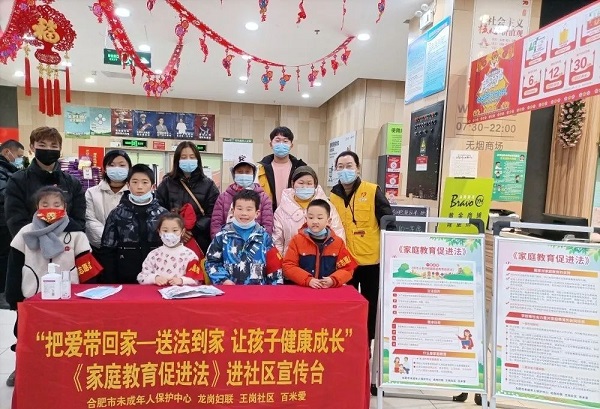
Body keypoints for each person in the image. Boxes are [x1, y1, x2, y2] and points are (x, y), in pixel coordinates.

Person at [5, 186, 102, 387]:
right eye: (45, 204)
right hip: (32, 297)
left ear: (65, 207)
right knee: (26, 334)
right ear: (37, 207)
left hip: (68, 298)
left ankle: (65, 369)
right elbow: (14, 266)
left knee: (65, 337)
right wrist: (14, 297)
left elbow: (86, 268)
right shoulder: (26, 233)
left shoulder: (76, 234)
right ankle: (22, 366)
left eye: (57, 204)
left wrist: (89, 296)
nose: (51, 208)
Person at [330, 151, 392, 346]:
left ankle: (367, 342)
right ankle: (348, 341)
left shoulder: (372, 190)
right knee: (346, 303)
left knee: (370, 303)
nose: (345, 170)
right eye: (340, 166)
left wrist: (390, 252)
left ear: (357, 168)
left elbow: (388, 222)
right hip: (344, 261)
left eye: (349, 166)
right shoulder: (333, 195)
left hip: (370, 260)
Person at [4, 127, 86, 238]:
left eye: (54, 146)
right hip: (30, 244)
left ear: (60, 149)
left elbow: (79, 221)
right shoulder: (17, 180)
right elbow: (15, 221)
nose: (48, 149)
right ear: (32, 147)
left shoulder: (73, 183)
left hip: (66, 244)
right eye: (42, 145)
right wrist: (41, 241)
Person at [99, 164, 168, 284]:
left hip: (157, 276)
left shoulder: (163, 214)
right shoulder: (117, 214)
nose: (139, 187)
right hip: (125, 276)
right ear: (128, 185)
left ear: (153, 186)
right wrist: (110, 280)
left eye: (145, 182)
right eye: (135, 182)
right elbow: (107, 249)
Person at [205, 190, 283, 285]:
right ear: (233, 211)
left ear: (257, 213)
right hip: (230, 290)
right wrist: (223, 280)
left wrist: (275, 289)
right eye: (240, 209)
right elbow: (211, 262)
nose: (244, 213)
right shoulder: (222, 236)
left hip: (258, 291)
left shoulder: (264, 238)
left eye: (249, 209)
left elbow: (275, 268)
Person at [156, 141, 219, 253]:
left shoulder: (209, 185)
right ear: (177, 160)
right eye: (184, 157)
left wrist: (192, 230)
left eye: (192, 157)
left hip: (199, 241)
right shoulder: (166, 183)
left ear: (198, 160)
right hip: (170, 240)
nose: (188, 160)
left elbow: (213, 213)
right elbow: (158, 209)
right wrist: (176, 229)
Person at [283, 199, 357, 288]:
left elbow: (348, 268)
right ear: (306, 219)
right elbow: (288, 266)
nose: (315, 221)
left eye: (319, 218)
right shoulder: (297, 240)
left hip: (328, 290)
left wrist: (333, 280)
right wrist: (307, 280)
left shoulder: (338, 242)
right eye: (311, 217)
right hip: (303, 289)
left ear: (328, 221)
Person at [273, 166, 344, 256]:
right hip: (291, 260)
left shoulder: (327, 206)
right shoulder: (282, 210)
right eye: (301, 183)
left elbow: (338, 233)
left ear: (315, 185)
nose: (304, 187)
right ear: (293, 183)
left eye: (309, 183)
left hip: (323, 259)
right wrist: (281, 261)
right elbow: (277, 241)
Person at [210, 155, 273, 239]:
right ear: (233, 174)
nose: (243, 175)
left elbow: (268, 226)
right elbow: (216, 224)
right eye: (240, 172)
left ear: (254, 173)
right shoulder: (223, 197)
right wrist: (221, 242)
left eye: (247, 172)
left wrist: (257, 243)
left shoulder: (264, 198)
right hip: (228, 243)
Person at [137, 213, 203, 286]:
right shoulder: (154, 254)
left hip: (180, 291)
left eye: (175, 230)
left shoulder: (190, 255)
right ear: (159, 232)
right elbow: (141, 277)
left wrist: (182, 280)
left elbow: (197, 280)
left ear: (182, 232)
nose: (170, 234)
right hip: (156, 291)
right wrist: (155, 278)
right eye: (165, 230)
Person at [84, 150, 131, 251]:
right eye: (112, 165)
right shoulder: (91, 193)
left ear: (129, 168)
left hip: (129, 249)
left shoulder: (135, 193)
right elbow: (90, 221)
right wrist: (109, 240)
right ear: (105, 169)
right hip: (100, 249)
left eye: (122, 165)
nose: (117, 168)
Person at [257, 126, 306, 211]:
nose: (281, 144)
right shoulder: (260, 169)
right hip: (268, 213)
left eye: (285, 141)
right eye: (277, 140)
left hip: (294, 214)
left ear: (291, 145)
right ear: (271, 144)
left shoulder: (300, 168)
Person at [0, 140, 24, 308]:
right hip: (2, 222)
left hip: (6, 220)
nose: (20, 159)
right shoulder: (3, 171)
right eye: (19, 156)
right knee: (3, 258)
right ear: (7, 152)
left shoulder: (9, 170)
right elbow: (4, 193)